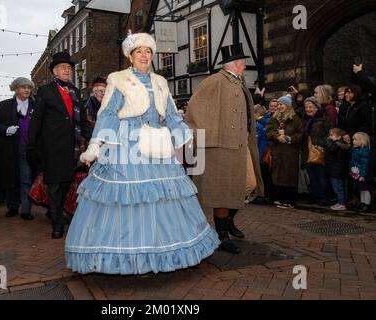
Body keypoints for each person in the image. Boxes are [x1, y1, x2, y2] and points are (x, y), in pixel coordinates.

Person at [65, 32, 219, 275]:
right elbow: (108, 114)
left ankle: (161, 253)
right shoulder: (119, 79)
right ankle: (125, 257)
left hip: (156, 144)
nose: (144, 55)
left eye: (148, 51)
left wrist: (186, 136)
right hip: (126, 143)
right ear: (131, 55)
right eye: (139, 51)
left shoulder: (160, 81)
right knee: (125, 196)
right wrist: (96, 145)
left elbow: (169, 114)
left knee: (162, 196)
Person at [185, 42, 264, 254]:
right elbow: (194, 109)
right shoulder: (215, 81)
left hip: (241, 145)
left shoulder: (238, 82)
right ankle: (221, 235)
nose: (245, 65)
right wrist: (206, 137)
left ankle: (228, 220)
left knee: (249, 184)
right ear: (234, 63)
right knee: (222, 192)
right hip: (220, 147)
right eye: (242, 62)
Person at [27, 52, 92, 239]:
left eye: (69, 68)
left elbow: (81, 120)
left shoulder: (75, 91)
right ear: (55, 71)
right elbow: (37, 119)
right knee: (54, 185)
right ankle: (57, 222)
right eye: (63, 67)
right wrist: (31, 144)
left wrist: (94, 138)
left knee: (65, 184)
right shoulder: (45, 91)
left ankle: (55, 211)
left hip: (71, 147)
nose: (67, 70)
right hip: (52, 147)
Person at [0, 77, 36, 220]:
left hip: (28, 149)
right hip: (9, 148)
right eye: (23, 87)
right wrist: (6, 129)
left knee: (26, 179)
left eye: (28, 87)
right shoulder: (4, 105)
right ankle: (12, 206)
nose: (26, 90)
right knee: (10, 178)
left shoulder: (36, 105)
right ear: (16, 89)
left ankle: (26, 210)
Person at [266, 95, 303, 209]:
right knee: (278, 175)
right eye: (278, 104)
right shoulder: (274, 118)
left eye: (281, 104)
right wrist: (277, 137)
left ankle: (289, 201)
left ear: (287, 105)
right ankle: (280, 198)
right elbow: (269, 130)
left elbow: (300, 134)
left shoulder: (295, 118)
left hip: (290, 152)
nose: (279, 106)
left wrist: (289, 138)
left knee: (288, 175)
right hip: (277, 151)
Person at [301, 96, 332, 206]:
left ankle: (324, 198)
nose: (308, 109)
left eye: (311, 107)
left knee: (321, 176)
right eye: (306, 107)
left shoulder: (324, 118)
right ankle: (314, 196)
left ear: (317, 107)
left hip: (320, 151)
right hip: (308, 151)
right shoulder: (305, 120)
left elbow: (330, 134)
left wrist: (321, 144)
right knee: (312, 176)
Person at [324, 128, 350, 211]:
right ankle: (340, 202)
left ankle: (342, 204)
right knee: (337, 187)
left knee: (338, 187)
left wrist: (333, 141)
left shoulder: (339, 144)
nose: (329, 137)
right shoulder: (338, 144)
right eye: (329, 135)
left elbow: (333, 150)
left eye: (332, 135)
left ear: (339, 136)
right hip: (335, 169)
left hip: (337, 169)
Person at [349, 132, 373, 212]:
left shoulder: (365, 151)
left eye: (355, 140)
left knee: (365, 190)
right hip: (358, 174)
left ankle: (367, 205)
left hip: (364, 176)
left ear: (362, 141)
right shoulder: (356, 150)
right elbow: (353, 162)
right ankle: (362, 203)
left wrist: (363, 175)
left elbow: (365, 165)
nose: (353, 141)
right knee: (361, 190)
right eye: (353, 139)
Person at [84, 76, 107, 141]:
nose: (103, 93)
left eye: (105, 91)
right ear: (94, 93)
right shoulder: (88, 107)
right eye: (100, 91)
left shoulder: (108, 105)